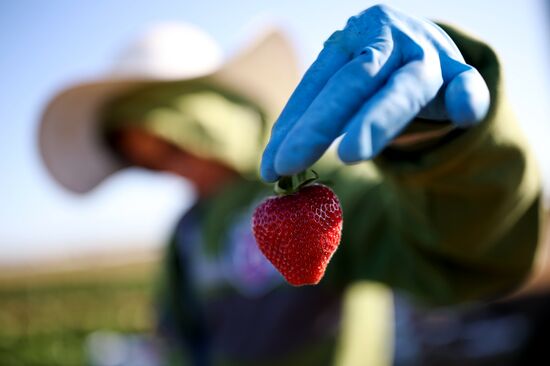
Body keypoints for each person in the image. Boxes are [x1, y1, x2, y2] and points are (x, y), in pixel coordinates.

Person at [39, 5, 542, 365]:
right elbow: (181, 335)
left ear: (213, 118)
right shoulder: (185, 233)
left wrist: (442, 150)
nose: (175, 170)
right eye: (144, 162)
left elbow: (467, 253)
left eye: (174, 143)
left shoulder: (331, 189)